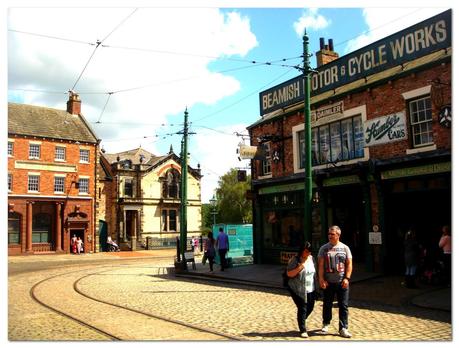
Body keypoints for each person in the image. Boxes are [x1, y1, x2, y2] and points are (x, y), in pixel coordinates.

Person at [318, 225, 353, 338]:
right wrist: (321, 279)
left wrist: (347, 278)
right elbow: (320, 266)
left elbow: (349, 264)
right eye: (329, 234)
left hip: (342, 282)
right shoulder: (324, 248)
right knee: (327, 304)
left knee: (343, 305)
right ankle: (326, 323)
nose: (330, 236)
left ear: (338, 235)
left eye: (332, 234)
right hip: (328, 282)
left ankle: (343, 328)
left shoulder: (345, 248)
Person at [286, 242, 317, 338]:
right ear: (301, 251)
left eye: (308, 251)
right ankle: (303, 329)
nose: (307, 253)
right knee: (302, 308)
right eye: (305, 251)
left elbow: (314, 272)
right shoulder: (295, 260)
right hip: (297, 289)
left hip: (311, 288)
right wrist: (299, 268)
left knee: (310, 307)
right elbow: (289, 274)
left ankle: (301, 320)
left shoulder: (311, 259)